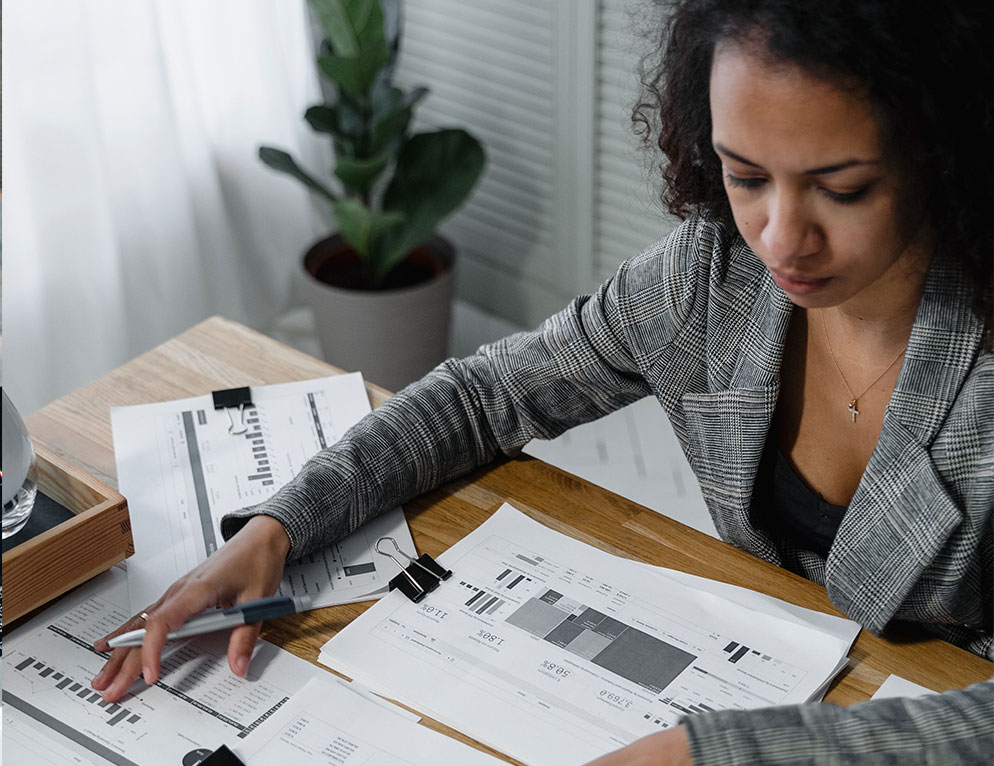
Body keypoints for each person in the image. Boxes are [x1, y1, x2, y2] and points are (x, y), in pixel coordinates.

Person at [93, 0, 992, 762]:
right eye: (746, 175)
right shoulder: (710, 277)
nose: (780, 237)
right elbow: (489, 395)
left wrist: (715, 751)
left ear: (944, 151)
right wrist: (282, 524)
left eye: (842, 188)